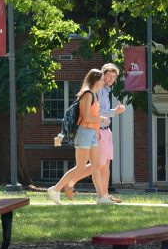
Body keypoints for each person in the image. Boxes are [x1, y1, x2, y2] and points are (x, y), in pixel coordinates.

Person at [62, 63, 125, 203]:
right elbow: (96, 112)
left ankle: (106, 195)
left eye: (114, 77)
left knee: (105, 164)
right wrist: (115, 112)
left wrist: (113, 113)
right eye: (108, 76)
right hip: (97, 130)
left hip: (106, 130)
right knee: (97, 165)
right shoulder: (97, 91)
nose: (111, 79)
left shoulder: (107, 90)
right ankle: (71, 183)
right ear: (102, 76)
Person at [47, 69, 111, 205]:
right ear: (95, 80)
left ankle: (101, 197)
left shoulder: (94, 94)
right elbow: (86, 116)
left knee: (95, 166)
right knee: (80, 167)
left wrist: (99, 121)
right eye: (101, 79)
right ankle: (55, 189)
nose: (103, 82)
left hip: (92, 133)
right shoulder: (87, 94)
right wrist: (101, 118)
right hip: (84, 132)